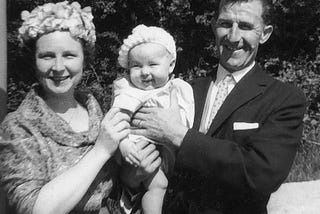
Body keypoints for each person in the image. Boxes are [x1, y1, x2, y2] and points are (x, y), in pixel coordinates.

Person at [131, 0, 307, 213]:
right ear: (214, 26)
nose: (233, 37)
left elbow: (262, 174)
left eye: (245, 26)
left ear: (265, 33)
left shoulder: (283, 99)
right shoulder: (184, 90)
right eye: (225, 24)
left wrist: (178, 135)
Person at [0, 2, 160, 214]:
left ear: (84, 58)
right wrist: (101, 150)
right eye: (47, 56)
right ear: (33, 61)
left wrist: (133, 179)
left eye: (69, 55)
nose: (58, 67)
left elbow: (114, 197)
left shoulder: (98, 111)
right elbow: (34, 209)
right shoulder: (18, 127)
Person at [112, 24, 194, 214]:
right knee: (158, 184)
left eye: (153, 64)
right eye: (136, 66)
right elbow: (118, 119)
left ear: (171, 65)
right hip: (137, 149)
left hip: (167, 153)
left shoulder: (177, 88)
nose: (145, 72)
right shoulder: (129, 91)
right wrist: (124, 144)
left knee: (164, 184)